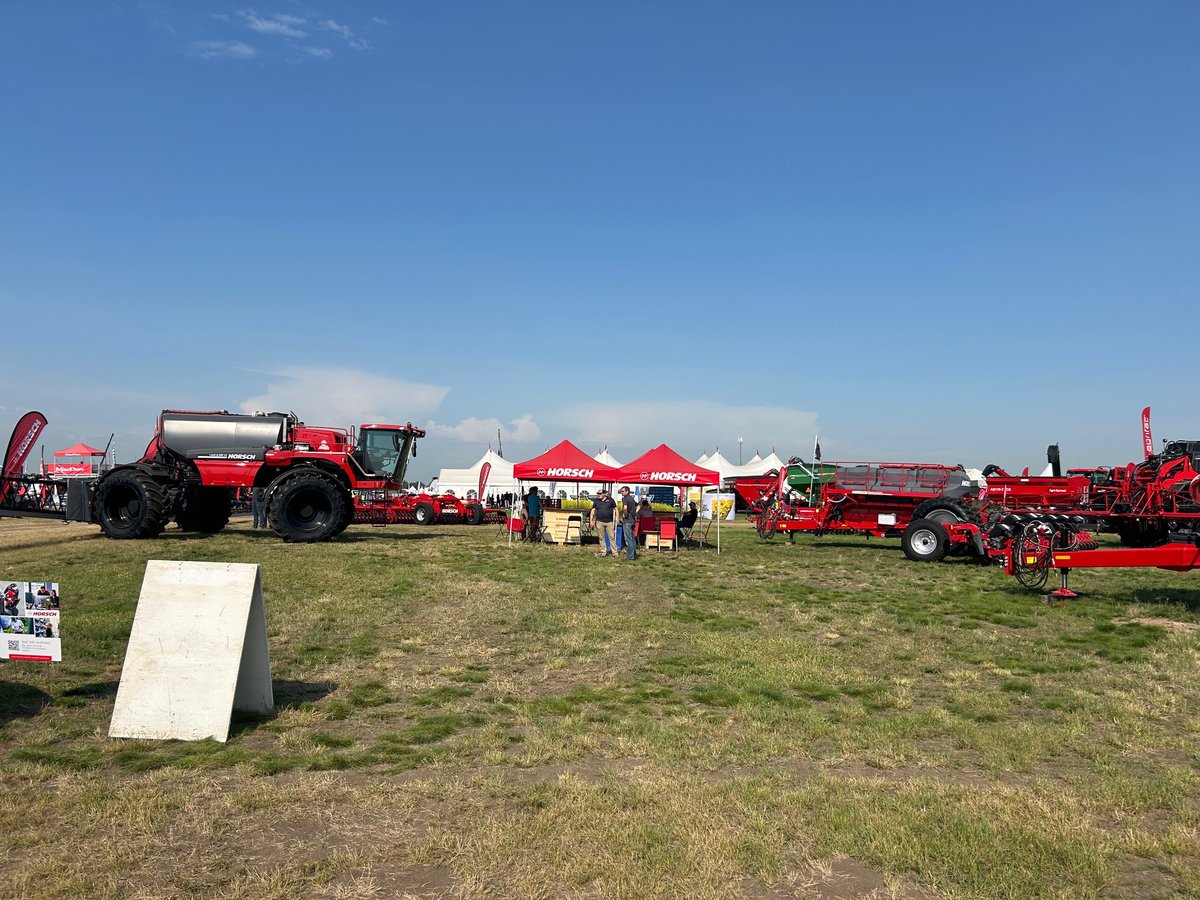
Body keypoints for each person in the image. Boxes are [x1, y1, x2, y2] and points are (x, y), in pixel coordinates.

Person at [589, 487, 618, 557]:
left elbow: (616, 509)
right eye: (598, 494)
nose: (598, 495)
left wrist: (617, 517)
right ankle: (603, 552)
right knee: (601, 538)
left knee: (612, 537)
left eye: (600, 494)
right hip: (599, 522)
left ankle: (615, 553)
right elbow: (593, 511)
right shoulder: (596, 501)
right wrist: (591, 521)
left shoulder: (610, 500)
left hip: (609, 522)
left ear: (604, 494)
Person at [618, 486, 637, 559]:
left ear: (627, 491)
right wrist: (635, 513)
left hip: (627, 521)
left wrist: (625, 515)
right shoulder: (631, 498)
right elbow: (638, 506)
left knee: (628, 539)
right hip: (632, 520)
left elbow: (625, 508)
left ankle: (630, 556)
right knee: (632, 538)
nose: (621, 492)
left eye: (623, 491)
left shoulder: (625, 499)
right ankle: (634, 554)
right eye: (621, 491)